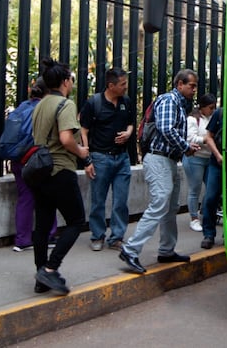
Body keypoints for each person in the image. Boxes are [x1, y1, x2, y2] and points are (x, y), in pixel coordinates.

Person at [118, 69, 201, 273]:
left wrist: (185, 147)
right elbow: (166, 129)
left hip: (169, 160)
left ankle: (166, 250)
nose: (194, 90)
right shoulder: (169, 100)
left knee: (170, 207)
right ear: (179, 84)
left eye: (195, 86)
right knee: (159, 203)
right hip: (158, 159)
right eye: (191, 86)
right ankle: (130, 250)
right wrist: (186, 147)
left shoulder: (179, 104)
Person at [29, 58, 90, 295]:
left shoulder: (40, 104)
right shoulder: (65, 104)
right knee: (76, 221)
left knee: (43, 225)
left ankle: (40, 276)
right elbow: (65, 139)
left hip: (40, 172)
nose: (72, 82)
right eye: (71, 79)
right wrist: (81, 152)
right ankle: (51, 268)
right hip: (60, 169)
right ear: (65, 81)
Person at [80, 67, 134, 252]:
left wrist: (128, 133)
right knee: (98, 200)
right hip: (101, 157)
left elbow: (130, 123)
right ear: (111, 86)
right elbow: (84, 131)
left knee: (121, 200)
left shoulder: (126, 101)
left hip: (122, 157)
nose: (125, 87)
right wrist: (87, 159)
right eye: (122, 84)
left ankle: (117, 237)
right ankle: (97, 235)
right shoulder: (94, 103)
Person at [8, 77, 57, 252]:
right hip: (37, 159)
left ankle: (22, 239)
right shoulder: (44, 110)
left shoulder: (21, 108)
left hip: (18, 159)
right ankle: (48, 235)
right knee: (48, 196)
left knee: (25, 197)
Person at [182, 93, 216, 232]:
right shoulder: (192, 119)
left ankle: (204, 212)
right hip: (195, 158)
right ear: (202, 107)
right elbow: (190, 138)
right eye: (210, 107)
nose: (212, 110)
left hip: (209, 157)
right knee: (194, 189)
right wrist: (206, 140)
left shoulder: (211, 118)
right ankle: (194, 218)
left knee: (212, 188)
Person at [200, 105, 223, 249]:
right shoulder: (220, 113)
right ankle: (208, 234)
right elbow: (209, 137)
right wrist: (218, 156)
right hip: (217, 163)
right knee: (210, 197)